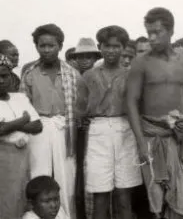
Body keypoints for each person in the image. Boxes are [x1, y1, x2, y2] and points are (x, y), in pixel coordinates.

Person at [126, 7, 183, 218]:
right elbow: (131, 103)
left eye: (157, 32)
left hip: (179, 136)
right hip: (152, 136)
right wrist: (142, 143)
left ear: (170, 31)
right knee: (157, 196)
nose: (151, 38)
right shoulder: (140, 63)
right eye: (148, 32)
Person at [76, 26, 143, 219]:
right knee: (100, 193)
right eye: (107, 46)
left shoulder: (131, 75)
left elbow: (138, 106)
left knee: (124, 194)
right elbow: (80, 109)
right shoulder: (89, 76)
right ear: (100, 47)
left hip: (125, 129)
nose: (112, 50)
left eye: (116, 46)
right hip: (98, 131)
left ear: (123, 48)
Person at [21, 23, 80, 217]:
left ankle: (67, 215)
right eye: (41, 45)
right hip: (39, 128)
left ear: (60, 46)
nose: (46, 50)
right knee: (38, 175)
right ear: (36, 46)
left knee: (67, 177)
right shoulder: (29, 72)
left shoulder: (72, 73)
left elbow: (79, 105)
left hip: (65, 128)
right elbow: (24, 105)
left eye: (51, 45)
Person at [0, 55, 43, 218]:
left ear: (11, 76)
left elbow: (38, 126)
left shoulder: (20, 98)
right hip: (3, 159)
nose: (1, 81)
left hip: (25, 157)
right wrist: (24, 119)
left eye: (4, 76)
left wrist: (9, 125)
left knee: (23, 198)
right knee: (6, 201)